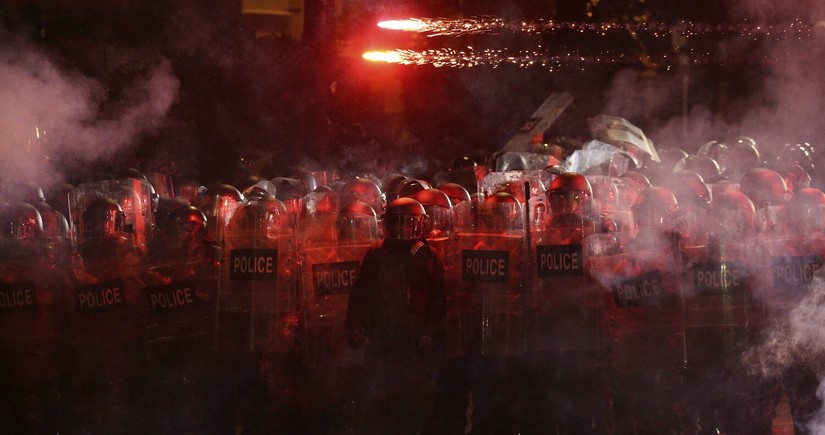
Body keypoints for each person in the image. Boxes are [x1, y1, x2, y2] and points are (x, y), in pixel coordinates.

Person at [346, 197, 446, 435]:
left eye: (407, 223)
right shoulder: (377, 254)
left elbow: (438, 301)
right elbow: (360, 294)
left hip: (413, 346)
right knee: (378, 408)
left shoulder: (427, 256)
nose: (401, 229)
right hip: (381, 342)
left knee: (411, 410)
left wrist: (430, 335)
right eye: (397, 223)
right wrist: (355, 326)